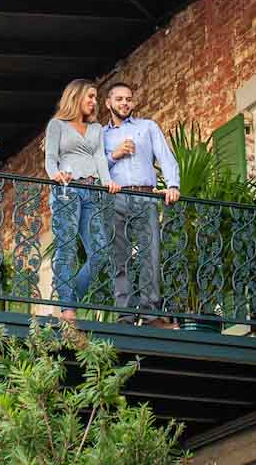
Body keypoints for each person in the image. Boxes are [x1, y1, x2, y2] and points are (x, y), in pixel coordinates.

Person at [103, 82, 181, 329]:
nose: (124, 103)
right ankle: (124, 316)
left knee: (151, 254)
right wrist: (113, 155)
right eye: (119, 99)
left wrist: (173, 185)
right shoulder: (100, 135)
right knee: (120, 258)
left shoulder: (148, 127)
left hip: (146, 196)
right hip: (116, 199)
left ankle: (150, 315)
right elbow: (95, 170)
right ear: (109, 103)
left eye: (128, 99)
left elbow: (166, 157)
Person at [45, 79, 121, 322]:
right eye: (90, 96)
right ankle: (67, 310)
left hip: (92, 190)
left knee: (100, 252)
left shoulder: (96, 129)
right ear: (76, 97)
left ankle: (69, 299)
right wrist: (55, 175)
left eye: (95, 97)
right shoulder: (57, 125)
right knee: (66, 247)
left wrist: (108, 181)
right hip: (67, 189)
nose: (93, 101)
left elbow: (99, 157)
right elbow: (50, 159)